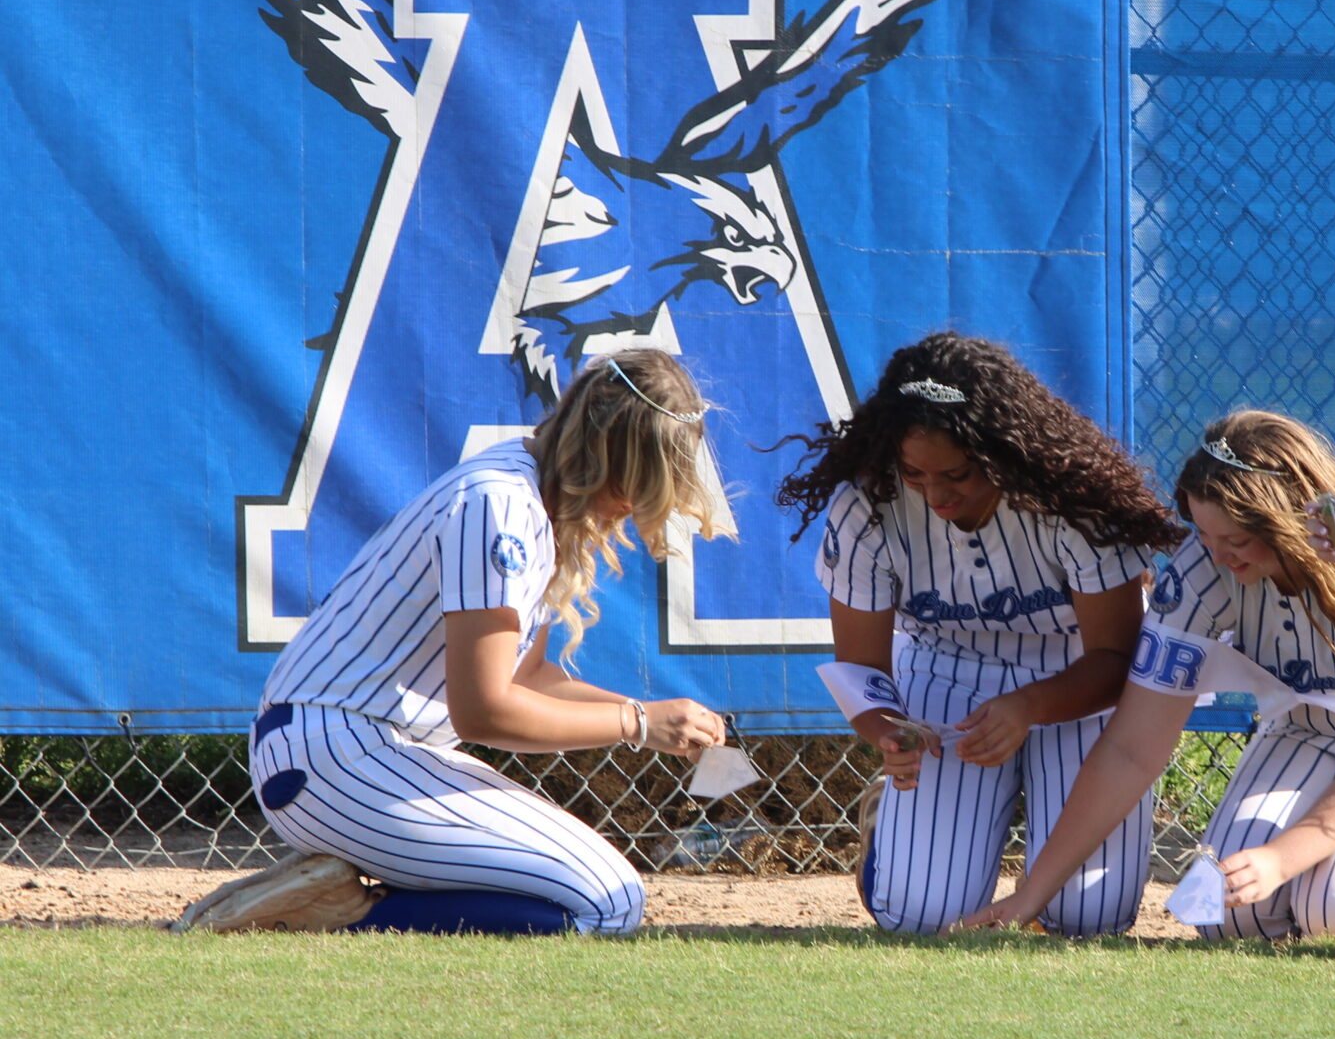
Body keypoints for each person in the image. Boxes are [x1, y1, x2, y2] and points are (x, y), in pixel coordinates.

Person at [174, 349, 729, 935]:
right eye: (636, 483)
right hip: (334, 756)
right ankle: (331, 914)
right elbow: (485, 711)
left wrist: (662, 720)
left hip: (369, 750)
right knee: (608, 902)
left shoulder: (532, 495)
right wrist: (638, 723)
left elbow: (528, 680)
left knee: (610, 893)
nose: (633, 505)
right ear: (606, 453)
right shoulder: (501, 506)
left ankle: (333, 892)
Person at [957, 411, 1335, 940]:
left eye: (1235, 541)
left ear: (1288, 520)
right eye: (1203, 534)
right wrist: (1030, 896)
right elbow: (1131, 749)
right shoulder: (1205, 566)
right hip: (1306, 730)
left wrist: (1280, 858)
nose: (1215, 556)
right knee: (1227, 912)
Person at [777, 332, 1183, 935]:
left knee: (1089, 918)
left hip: (1080, 674)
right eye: (913, 472)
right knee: (919, 917)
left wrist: (1028, 706)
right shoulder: (867, 504)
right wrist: (889, 733)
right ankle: (887, 827)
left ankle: (1041, 884)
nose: (936, 493)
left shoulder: (1072, 501)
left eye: (959, 473)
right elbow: (862, 667)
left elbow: (1117, 657)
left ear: (1003, 453)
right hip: (947, 669)